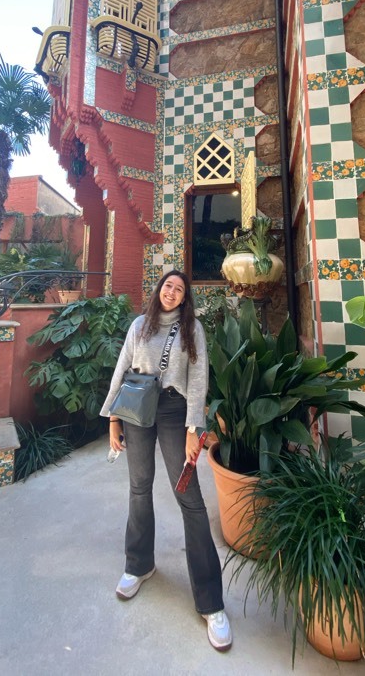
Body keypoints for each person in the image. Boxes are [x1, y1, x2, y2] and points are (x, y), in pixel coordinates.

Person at [100, 269, 232, 652]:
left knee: (190, 499)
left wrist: (195, 426)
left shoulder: (192, 330)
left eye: (179, 289)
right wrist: (113, 419)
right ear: (158, 290)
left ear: (184, 297)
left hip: (175, 413)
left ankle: (211, 602)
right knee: (139, 488)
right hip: (137, 410)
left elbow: (197, 379)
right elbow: (122, 368)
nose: (171, 292)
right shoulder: (140, 325)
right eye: (167, 286)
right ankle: (138, 564)